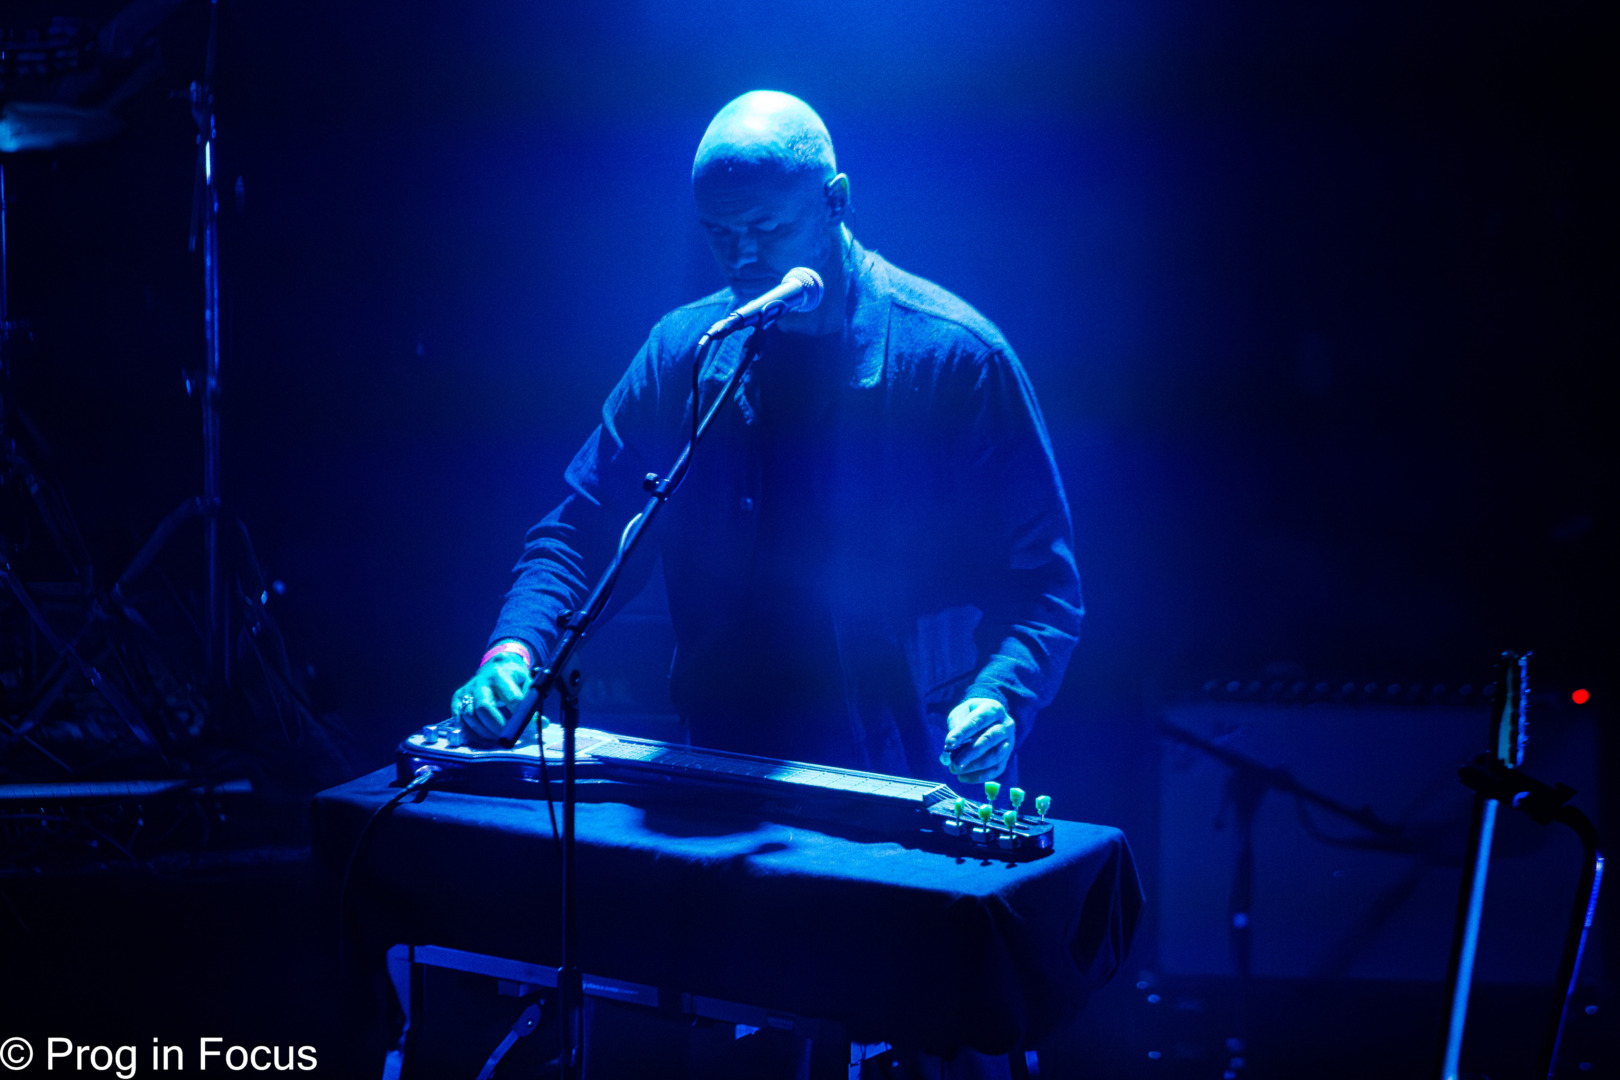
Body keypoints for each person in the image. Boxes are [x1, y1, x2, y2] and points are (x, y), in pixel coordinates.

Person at [452, 90, 1081, 788]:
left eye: (766, 226)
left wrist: (999, 696)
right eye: (719, 233)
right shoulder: (685, 351)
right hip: (724, 765)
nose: (743, 254)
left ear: (836, 201)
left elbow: (1043, 590)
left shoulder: (957, 360)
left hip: (910, 772)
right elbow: (583, 528)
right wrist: (514, 650)